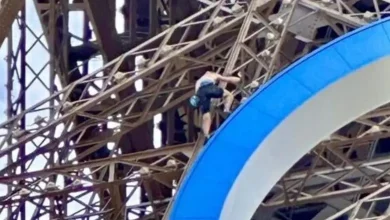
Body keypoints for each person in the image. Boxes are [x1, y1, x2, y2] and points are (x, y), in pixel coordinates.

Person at [190, 71, 241, 138]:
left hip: (200, 92)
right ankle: (226, 110)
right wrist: (240, 80)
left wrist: (203, 102)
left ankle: (206, 134)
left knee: (206, 115)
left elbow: (197, 93)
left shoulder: (198, 81)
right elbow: (228, 79)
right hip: (210, 87)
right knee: (229, 95)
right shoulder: (213, 75)